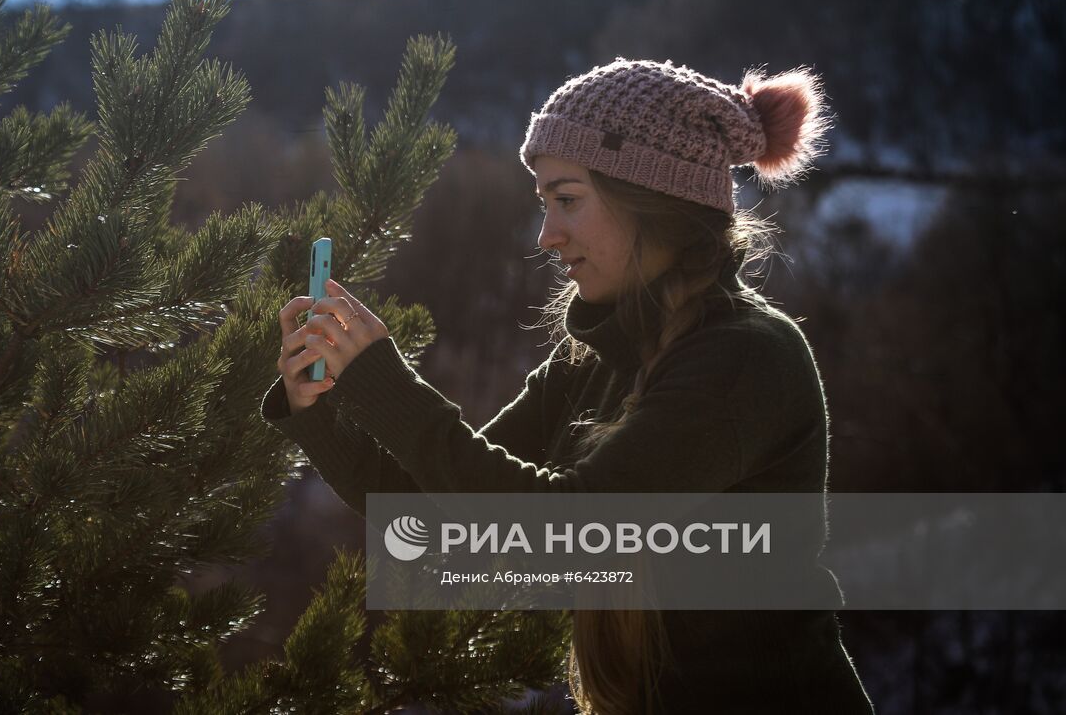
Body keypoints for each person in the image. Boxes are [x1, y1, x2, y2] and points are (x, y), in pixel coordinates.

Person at [262, 57, 875, 714]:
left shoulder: (747, 358)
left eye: (568, 200)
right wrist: (319, 405)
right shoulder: (593, 364)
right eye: (544, 204)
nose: (547, 235)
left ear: (652, 199)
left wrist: (389, 383)